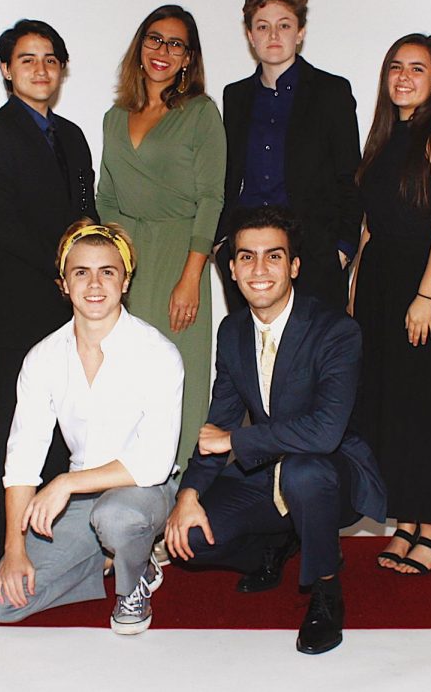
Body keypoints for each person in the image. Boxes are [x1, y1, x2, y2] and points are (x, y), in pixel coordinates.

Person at [165, 206, 386, 655]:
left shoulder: (336, 332)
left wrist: (236, 442)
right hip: (267, 472)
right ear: (231, 268)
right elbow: (218, 424)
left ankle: (326, 590)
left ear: (294, 266)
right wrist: (187, 495)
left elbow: (325, 434)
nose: (259, 269)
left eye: (273, 256)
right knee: (188, 538)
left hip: (331, 473)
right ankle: (279, 541)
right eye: (246, 257)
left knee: (306, 473)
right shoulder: (231, 332)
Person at [0, 219, 183, 635]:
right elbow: (22, 457)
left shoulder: (158, 353)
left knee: (118, 516)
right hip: (82, 498)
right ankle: (117, 556)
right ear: (63, 283)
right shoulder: (43, 357)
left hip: (142, 492)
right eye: (81, 272)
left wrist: (64, 485)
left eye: (107, 271)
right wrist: (14, 547)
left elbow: (152, 464)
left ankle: (133, 581)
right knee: (2, 605)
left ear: (125, 281)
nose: (95, 284)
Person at [0, 19, 98, 563]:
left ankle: (61, 535)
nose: (41, 69)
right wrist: (62, 269)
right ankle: (11, 538)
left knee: (68, 421)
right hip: (18, 306)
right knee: (17, 422)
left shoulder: (71, 134)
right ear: (7, 70)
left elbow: (86, 212)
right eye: (28, 59)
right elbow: (2, 222)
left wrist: (94, 268)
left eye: (50, 59)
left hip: (74, 306)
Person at [349, 34, 431, 574]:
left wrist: (427, 295)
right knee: (388, 406)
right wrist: (355, 287)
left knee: (423, 406)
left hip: (425, 285)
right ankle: (406, 521)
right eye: (395, 67)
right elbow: (370, 225)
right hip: (378, 285)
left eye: (417, 69)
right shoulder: (383, 137)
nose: (403, 77)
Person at [97, 4, 225, 470]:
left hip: (179, 256)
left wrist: (191, 276)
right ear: (140, 45)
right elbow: (105, 196)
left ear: (188, 57)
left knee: (180, 376)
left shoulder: (201, 113)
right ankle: (126, 495)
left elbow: (212, 198)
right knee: (124, 375)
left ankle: (179, 503)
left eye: (176, 44)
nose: (163, 51)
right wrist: (116, 261)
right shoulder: (115, 116)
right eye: (155, 39)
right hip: (127, 261)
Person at [215, 0, 362, 313]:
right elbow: (226, 174)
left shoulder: (331, 92)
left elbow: (350, 175)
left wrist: (342, 249)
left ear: (300, 32)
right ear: (250, 35)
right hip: (247, 253)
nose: (273, 36)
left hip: (313, 252)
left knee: (312, 358)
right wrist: (221, 243)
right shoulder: (235, 97)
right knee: (250, 356)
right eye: (262, 27)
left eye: (284, 25)